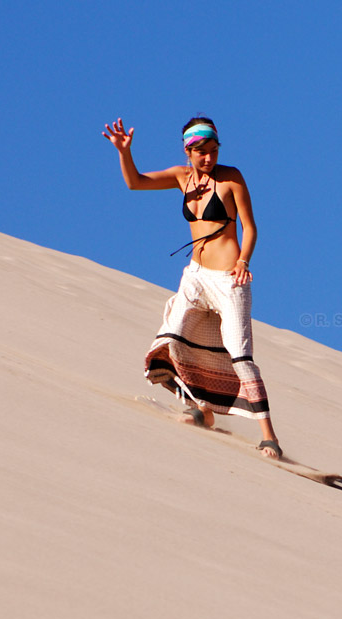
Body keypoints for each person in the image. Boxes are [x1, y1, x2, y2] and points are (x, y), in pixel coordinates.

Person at [103, 116, 281, 459]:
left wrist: (244, 262)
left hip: (229, 279)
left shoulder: (231, 178)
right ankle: (202, 409)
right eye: (201, 152)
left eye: (213, 150)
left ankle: (269, 437)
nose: (209, 158)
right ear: (189, 151)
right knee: (168, 345)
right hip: (195, 276)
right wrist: (125, 152)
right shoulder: (181, 177)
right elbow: (135, 183)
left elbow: (250, 227)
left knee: (240, 355)